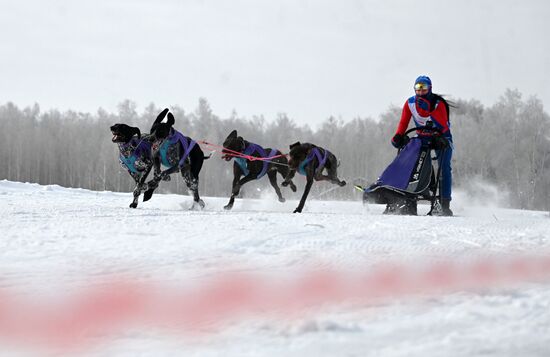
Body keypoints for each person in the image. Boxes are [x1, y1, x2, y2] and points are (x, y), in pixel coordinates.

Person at [391, 75, 453, 216]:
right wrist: (398, 136)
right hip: (422, 137)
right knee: (410, 161)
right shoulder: (410, 103)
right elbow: (403, 123)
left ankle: (445, 203)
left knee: (444, 167)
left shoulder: (439, 104)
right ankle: (409, 199)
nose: (420, 92)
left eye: (423, 88)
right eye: (417, 88)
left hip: (441, 137)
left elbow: (443, 126)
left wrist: (429, 111)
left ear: (429, 88)